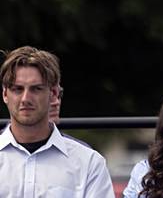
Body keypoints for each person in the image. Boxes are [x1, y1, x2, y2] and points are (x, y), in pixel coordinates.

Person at [0, 45, 114, 197]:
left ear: (53, 93)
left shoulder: (89, 163)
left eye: (36, 89)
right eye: (17, 89)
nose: (25, 99)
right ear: (5, 94)